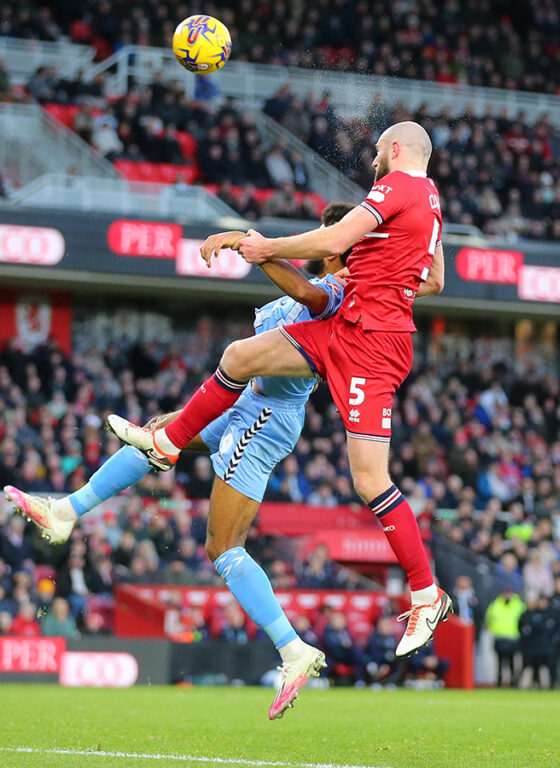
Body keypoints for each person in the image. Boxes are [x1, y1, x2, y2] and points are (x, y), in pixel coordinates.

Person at [105, 122, 451, 658]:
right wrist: (379, 284)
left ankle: (426, 595)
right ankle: (167, 444)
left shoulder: (398, 185)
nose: (374, 162)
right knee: (240, 356)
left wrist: (266, 246)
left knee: (369, 479)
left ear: (396, 149)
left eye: (379, 152)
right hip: (350, 328)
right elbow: (434, 281)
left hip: (371, 344)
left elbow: (334, 241)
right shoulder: (432, 202)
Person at [5, 202, 355, 720]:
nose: (317, 238)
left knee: (223, 547)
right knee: (155, 434)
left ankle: (293, 650)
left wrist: (257, 248)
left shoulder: (341, 289)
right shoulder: (315, 279)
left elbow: (306, 297)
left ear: (341, 244)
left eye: (327, 232)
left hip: (264, 419)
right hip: (244, 402)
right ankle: (66, 511)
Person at [485, 586, 526, 687]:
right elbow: (488, 619)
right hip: (499, 636)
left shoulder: (519, 605)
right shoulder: (495, 604)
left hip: (513, 637)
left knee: (512, 661)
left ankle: (512, 681)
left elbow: (524, 620)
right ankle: (499, 680)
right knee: (499, 661)